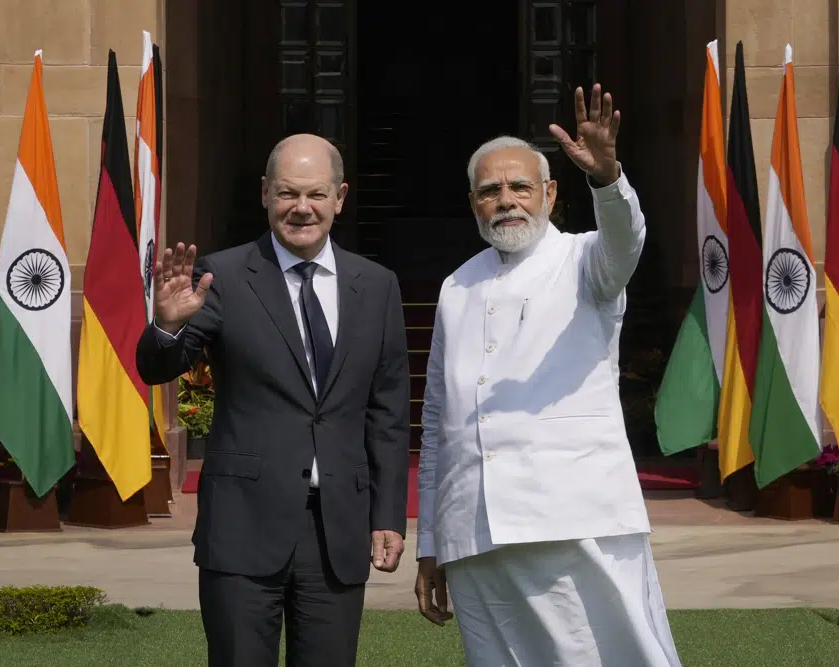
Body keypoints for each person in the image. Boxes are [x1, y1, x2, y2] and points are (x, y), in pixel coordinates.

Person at [413, 85, 682, 667]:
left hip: (575, 518)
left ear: (550, 192)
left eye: (519, 186)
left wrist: (608, 179)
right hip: (475, 533)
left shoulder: (588, 260)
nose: (506, 200)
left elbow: (626, 237)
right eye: (490, 191)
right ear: (472, 203)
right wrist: (430, 544)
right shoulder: (455, 287)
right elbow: (437, 421)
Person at [136, 133, 411, 667]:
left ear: (340, 197)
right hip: (243, 527)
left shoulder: (376, 285)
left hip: (335, 532)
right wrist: (167, 327)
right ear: (265, 194)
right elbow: (161, 365)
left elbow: (388, 414)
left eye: (315, 194)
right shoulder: (224, 275)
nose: (301, 208)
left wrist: (388, 515)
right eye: (287, 193)